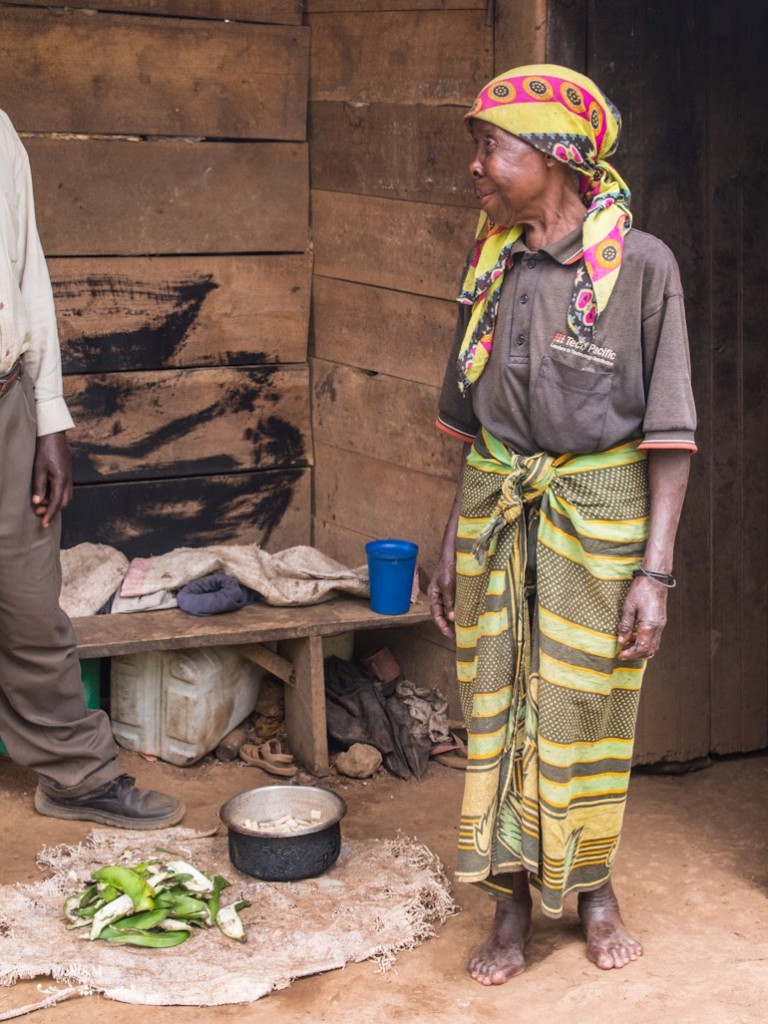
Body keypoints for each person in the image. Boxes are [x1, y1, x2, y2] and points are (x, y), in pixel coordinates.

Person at [428, 65, 695, 984]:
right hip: (495, 507)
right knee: (495, 709)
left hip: (602, 514)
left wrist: (654, 573)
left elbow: (669, 431)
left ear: (556, 159)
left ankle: (593, 887)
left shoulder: (642, 268)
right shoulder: (489, 262)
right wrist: (446, 546)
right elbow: (468, 427)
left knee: (586, 711)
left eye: (491, 147)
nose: (475, 167)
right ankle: (506, 903)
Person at [0, 108, 184, 829]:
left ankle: (76, 778)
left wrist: (49, 415)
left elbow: (26, 273)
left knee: (29, 607)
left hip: (7, 403)